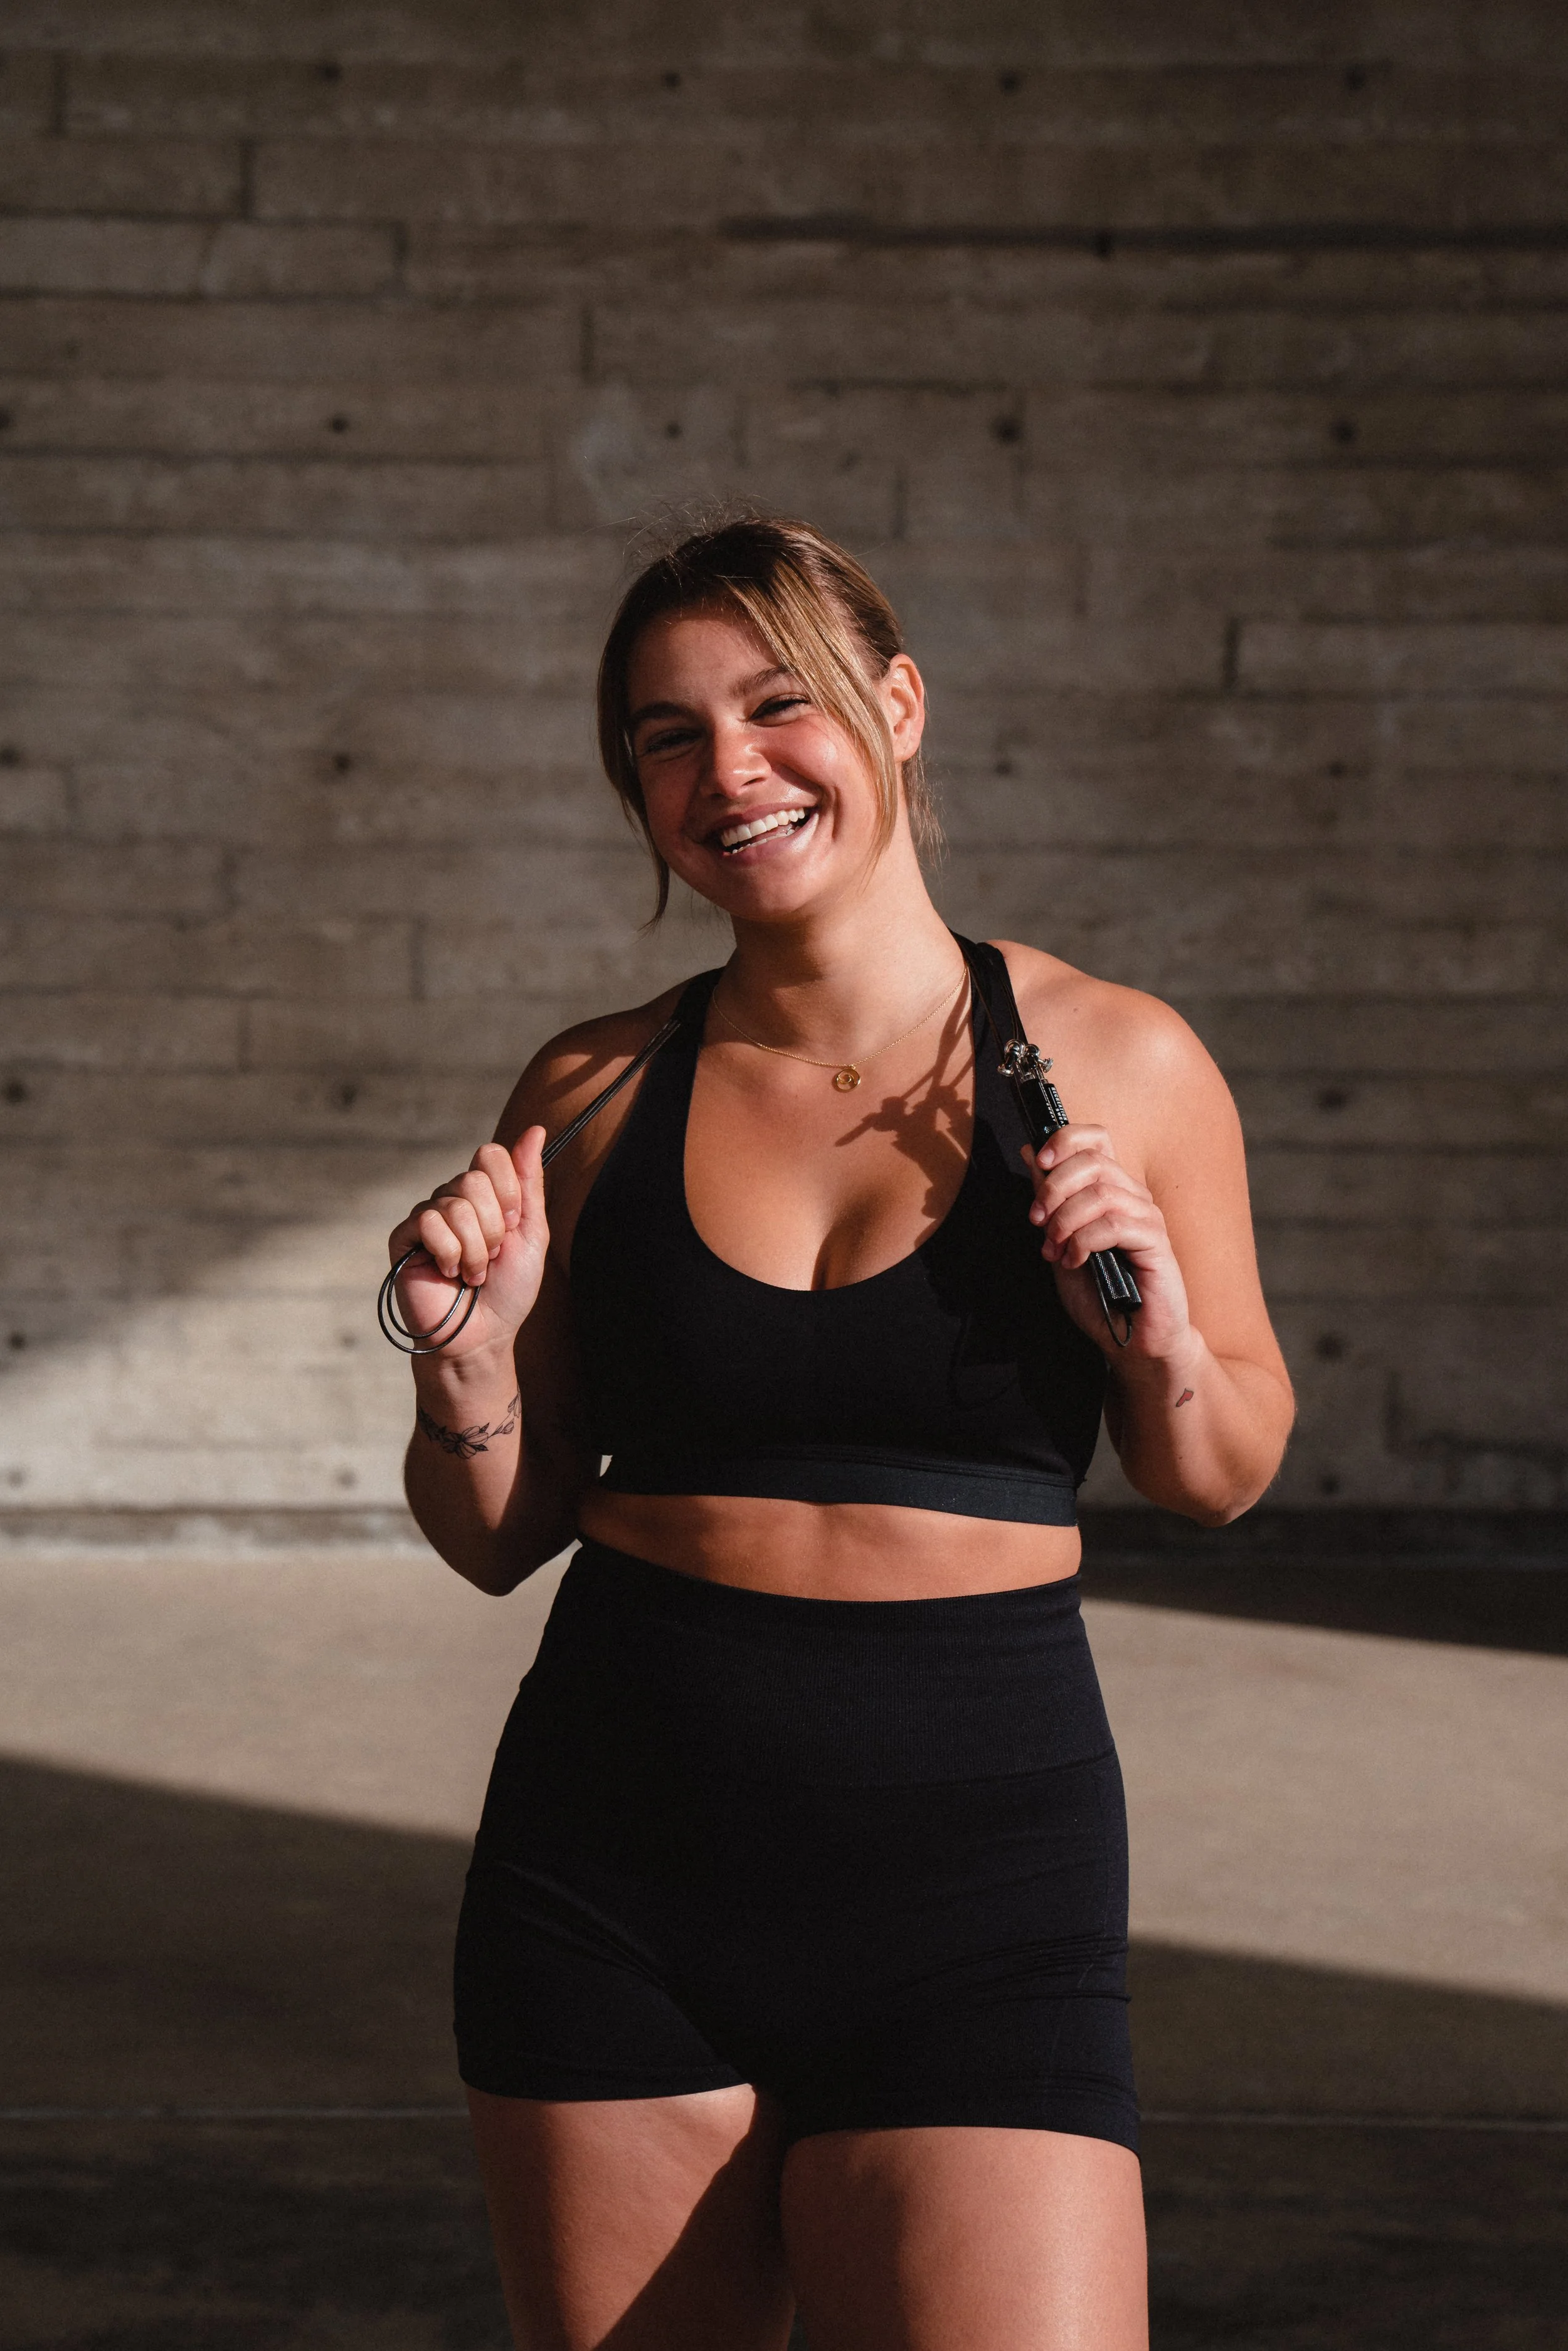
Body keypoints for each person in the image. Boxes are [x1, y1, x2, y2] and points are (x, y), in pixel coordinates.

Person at [386, 516, 1293, 2351]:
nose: (726, 768)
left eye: (774, 704)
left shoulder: (1118, 1061)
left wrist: (1160, 1340)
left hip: (975, 1886)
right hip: (612, 1865)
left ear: (895, 705)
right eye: (663, 732)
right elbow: (498, 1531)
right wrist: (464, 1374)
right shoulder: (594, 1086)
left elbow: (1218, 1467)